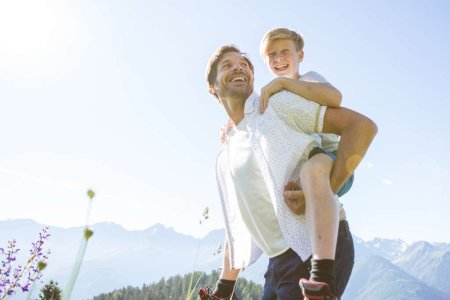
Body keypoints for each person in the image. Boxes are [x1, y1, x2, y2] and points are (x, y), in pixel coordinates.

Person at [203, 45, 377, 300]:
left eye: (244, 64)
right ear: (214, 87)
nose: (239, 67)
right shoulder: (226, 152)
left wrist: (324, 188)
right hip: (277, 263)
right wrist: (223, 290)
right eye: (227, 66)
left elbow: (361, 127)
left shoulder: (277, 106)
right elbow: (239, 223)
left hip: (315, 252)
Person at [257, 27, 354, 298]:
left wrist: (284, 83)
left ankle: (321, 273)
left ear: (300, 55)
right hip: (306, 176)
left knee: (313, 169)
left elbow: (335, 98)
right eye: (271, 55)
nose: (278, 59)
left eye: (285, 52)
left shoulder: (307, 80)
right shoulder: (271, 97)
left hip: (330, 157)